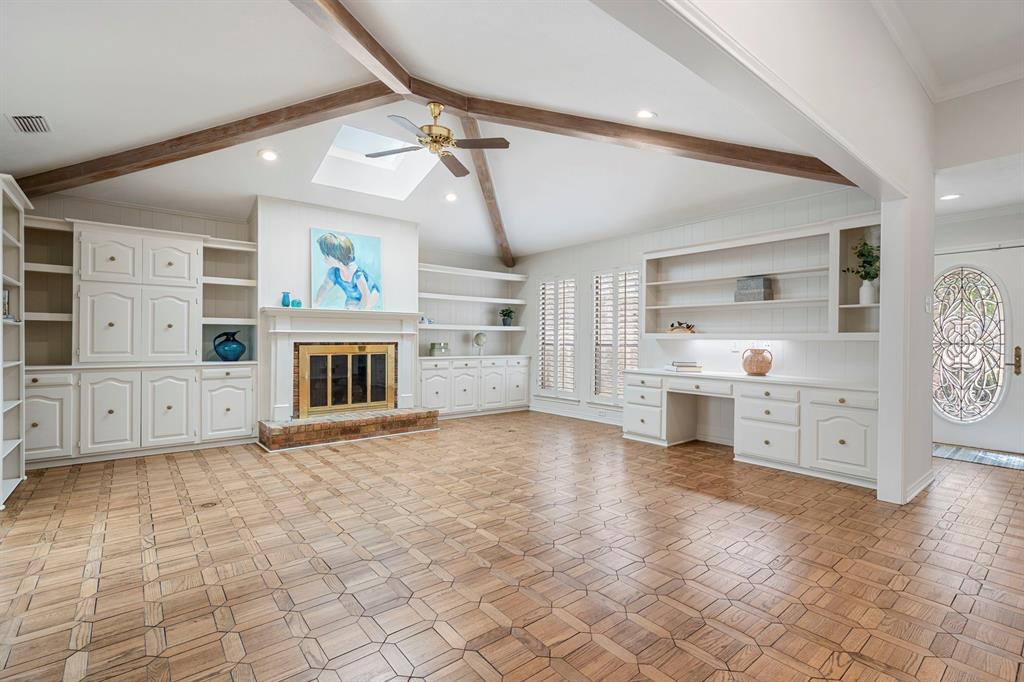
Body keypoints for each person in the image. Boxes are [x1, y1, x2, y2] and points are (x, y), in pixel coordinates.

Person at [313, 232, 381, 310]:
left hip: (371, 293)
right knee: (348, 310)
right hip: (352, 297)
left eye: (326, 255)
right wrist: (316, 303)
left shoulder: (357, 273)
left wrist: (361, 309)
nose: (324, 259)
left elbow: (366, 295)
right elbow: (324, 287)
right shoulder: (334, 272)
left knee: (362, 310)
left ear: (337, 255)